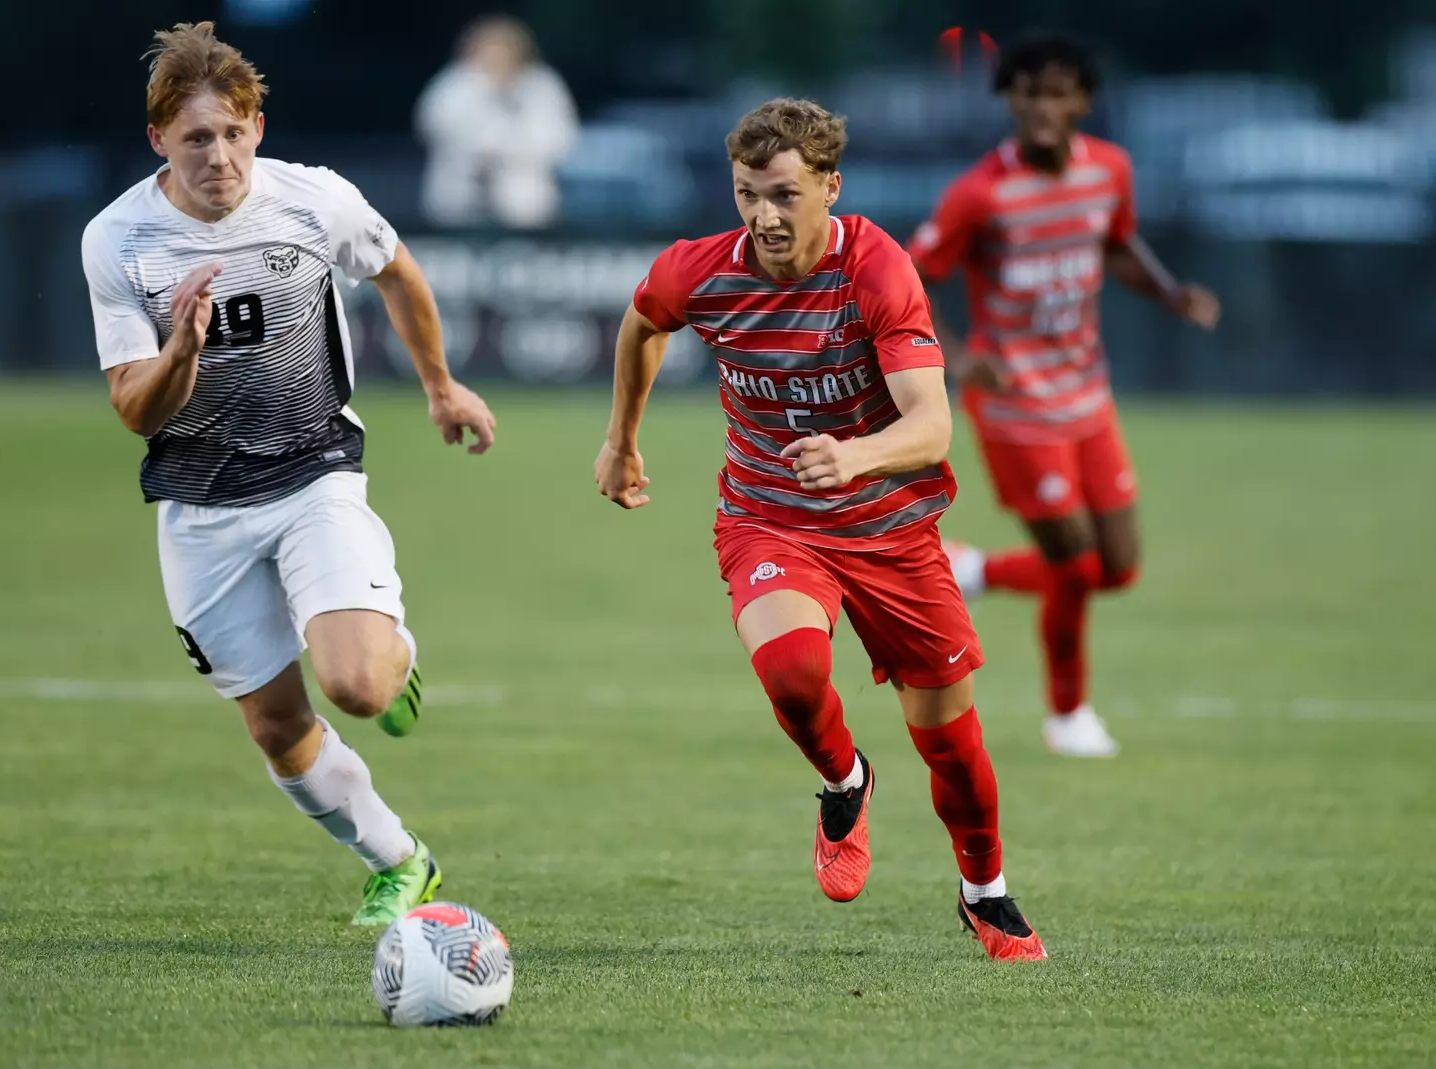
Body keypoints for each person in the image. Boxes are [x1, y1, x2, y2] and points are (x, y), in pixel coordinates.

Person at [595, 98, 1046, 962]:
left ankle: (984, 890)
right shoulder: (702, 271)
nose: (764, 216)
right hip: (769, 518)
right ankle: (845, 779)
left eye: (784, 195)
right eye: (746, 194)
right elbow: (644, 321)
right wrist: (622, 441)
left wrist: (858, 456)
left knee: (952, 742)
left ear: (829, 187)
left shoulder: (877, 271)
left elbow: (932, 426)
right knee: (794, 672)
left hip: (891, 531)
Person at [79, 22, 496, 926]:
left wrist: (440, 386)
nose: (218, 156)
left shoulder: (315, 202)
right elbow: (134, 410)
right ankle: (400, 859)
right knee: (275, 726)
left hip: (314, 476)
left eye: (232, 133)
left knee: (360, 686)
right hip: (198, 506)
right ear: (159, 141)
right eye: (196, 139)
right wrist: (181, 350)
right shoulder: (117, 241)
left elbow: (399, 273)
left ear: (257, 127)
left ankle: (396, 651)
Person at [907, 36, 1220, 757]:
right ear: (1009, 101)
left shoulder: (1109, 170)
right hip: (1017, 408)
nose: (1043, 107)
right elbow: (912, 272)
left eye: (1058, 92)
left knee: (1119, 565)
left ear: (1082, 101)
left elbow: (1114, 242)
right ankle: (1067, 715)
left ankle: (975, 570)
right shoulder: (979, 193)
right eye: (1028, 93)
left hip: (1087, 395)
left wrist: (1171, 292)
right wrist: (957, 357)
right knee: (1075, 567)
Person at [414, 14, 578, 230]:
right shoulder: (456, 84)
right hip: (459, 201)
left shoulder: (542, 86)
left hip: (525, 204)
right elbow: (434, 126)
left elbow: (558, 140)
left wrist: (505, 149)